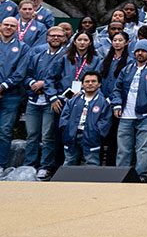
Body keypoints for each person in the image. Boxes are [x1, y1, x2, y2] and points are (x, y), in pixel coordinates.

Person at [111, 39, 147, 182]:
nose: (139, 53)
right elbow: (117, 88)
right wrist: (117, 104)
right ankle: (121, 176)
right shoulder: (127, 69)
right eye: (137, 50)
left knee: (143, 149)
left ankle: (140, 177)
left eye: (143, 50)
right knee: (123, 150)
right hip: (126, 115)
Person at [24, 25, 68, 178]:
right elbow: (27, 74)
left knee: (47, 136)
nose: (55, 38)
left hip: (51, 101)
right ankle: (29, 165)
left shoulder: (67, 56)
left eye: (59, 36)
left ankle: (45, 166)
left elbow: (64, 79)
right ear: (47, 37)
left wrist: (45, 84)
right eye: (52, 35)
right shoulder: (38, 55)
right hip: (34, 100)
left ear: (64, 38)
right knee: (32, 134)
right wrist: (33, 83)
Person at [58, 70, 111, 167]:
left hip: (92, 138)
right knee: (69, 163)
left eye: (93, 81)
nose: (90, 84)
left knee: (92, 164)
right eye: (87, 81)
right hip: (72, 136)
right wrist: (66, 130)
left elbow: (105, 121)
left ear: (99, 84)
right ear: (82, 84)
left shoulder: (103, 102)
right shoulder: (73, 100)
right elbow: (64, 117)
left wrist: (96, 133)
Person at [0, 17, 31, 169]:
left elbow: (20, 72)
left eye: (12, 25)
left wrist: (3, 86)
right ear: (1, 25)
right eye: (6, 24)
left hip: (11, 95)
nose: (9, 27)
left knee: (4, 131)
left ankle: (1, 165)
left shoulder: (23, 47)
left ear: (17, 28)